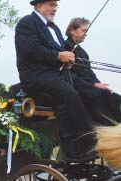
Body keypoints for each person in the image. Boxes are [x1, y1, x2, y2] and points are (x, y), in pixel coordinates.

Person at [15, 0, 103, 161]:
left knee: (92, 91)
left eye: (56, 5)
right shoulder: (26, 23)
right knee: (68, 93)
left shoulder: (54, 28)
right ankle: (86, 142)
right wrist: (58, 56)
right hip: (36, 76)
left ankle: (105, 129)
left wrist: (67, 61)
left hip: (57, 74)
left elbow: (61, 53)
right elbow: (31, 49)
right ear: (39, 5)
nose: (55, 8)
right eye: (52, 4)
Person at [65, 17, 121, 123]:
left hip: (90, 85)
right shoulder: (65, 48)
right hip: (77, 86)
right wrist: (93, 85)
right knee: (97, 95)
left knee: (115, 97)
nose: (86, 34)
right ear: (72, 30)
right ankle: (107, 127)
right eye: (83, 30)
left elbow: (90, 72)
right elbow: (70, 74)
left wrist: (99, 84)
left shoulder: (83, 52)